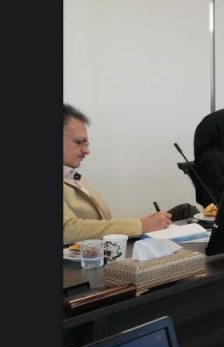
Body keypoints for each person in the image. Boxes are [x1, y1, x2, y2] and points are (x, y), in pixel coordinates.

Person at [63, 104, 171, 245]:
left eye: (86, 143)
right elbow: (67, 229)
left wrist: (147, 223)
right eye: (79, 142)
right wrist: (140, 225)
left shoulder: (71, 175)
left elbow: (101, 221)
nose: (87, 151)